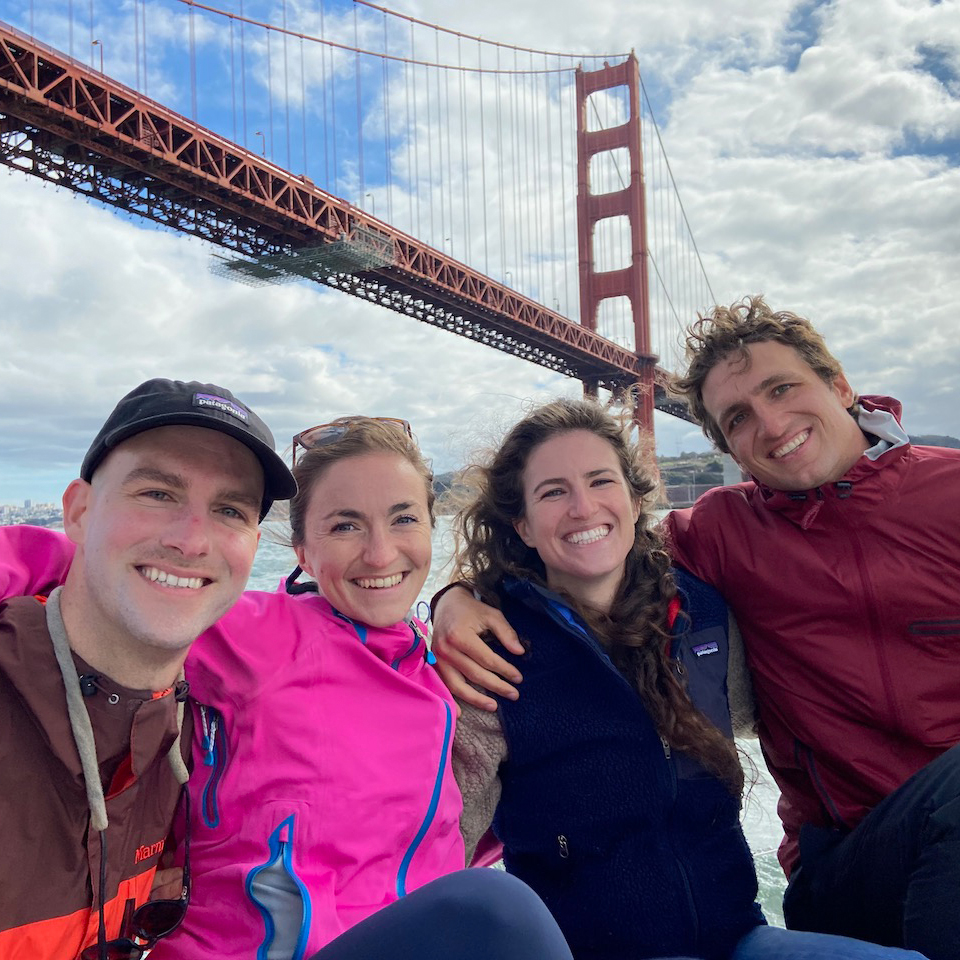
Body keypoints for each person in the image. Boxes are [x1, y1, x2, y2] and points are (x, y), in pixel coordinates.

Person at [432, 297, 960, 960]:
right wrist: (453, 598)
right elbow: (591, 554)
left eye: (782, 387)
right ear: (727, 444)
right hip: (847, 863)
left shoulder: (949, 494)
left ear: (840, 385)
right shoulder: (721, 532)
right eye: (738, 417)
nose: (770, 424)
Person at [1, 414, 574, 960]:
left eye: (403, 518)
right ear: (302, 551)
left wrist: (458, 598)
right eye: (345, 525)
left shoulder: (434, 668)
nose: (380, 552)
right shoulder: (267, 633)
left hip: (406, 940)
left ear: (430, 526)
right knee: (498, 909)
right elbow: (93, 571)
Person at [0, 377, 296, 960]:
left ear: (253, 548)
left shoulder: (204, 734)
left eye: (229, 509)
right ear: (78, 513)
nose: (191, 541)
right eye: (158, 492)